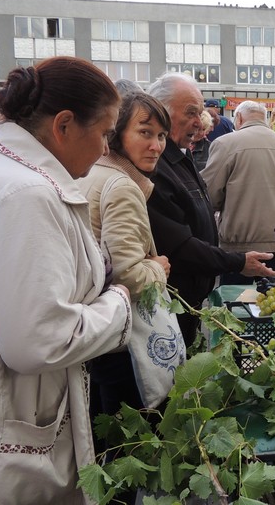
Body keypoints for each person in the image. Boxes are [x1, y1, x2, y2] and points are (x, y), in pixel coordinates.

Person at [0, 56, 132, 505]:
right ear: (63, 125)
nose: (104, 149)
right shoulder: (25, 194)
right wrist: (118, 305)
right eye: (104, 133)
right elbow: (39, 340)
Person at [145, 73, 275, 344]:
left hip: (190, 297)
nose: (200, 121)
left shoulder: (180, 156)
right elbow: (181, 247)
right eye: (191, 112)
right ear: (160, 112)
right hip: (173, 303)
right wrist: (237, 261)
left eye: (200, 111)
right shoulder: (155, 166)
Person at [77, 91, 173, 442]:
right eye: (144, 132)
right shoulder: (121, 186)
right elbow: (128, 275)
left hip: (95, 333)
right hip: (121, 342)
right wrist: (159, 268)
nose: (156, 145)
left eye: (161, 135)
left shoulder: (94, 172)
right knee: (129, 443)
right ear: (117, 133)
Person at [202, 100, 275, 284]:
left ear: (238, 118)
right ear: (265, 118)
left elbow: (209, 196)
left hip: (241, 248)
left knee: (238, 305)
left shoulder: (225, 143)